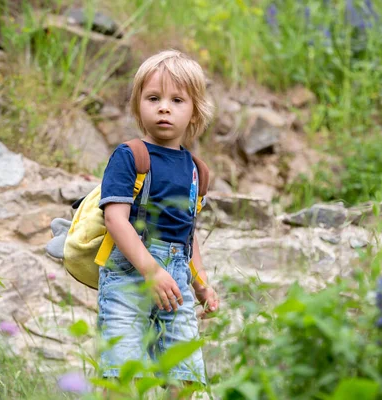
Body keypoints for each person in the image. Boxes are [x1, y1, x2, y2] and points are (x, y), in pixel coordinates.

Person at [97, 49, 220, 387]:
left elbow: (188, 234)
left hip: (177, 280)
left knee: (186, 378)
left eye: (177, 100)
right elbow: (116, 220)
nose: (164, 107)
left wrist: (201, 284)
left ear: (195, 111)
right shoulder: (130, 156)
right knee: (123, 377)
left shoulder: (197, 171)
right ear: (139, 104)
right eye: (153, 97)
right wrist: (151, 271)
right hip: (129, 276)